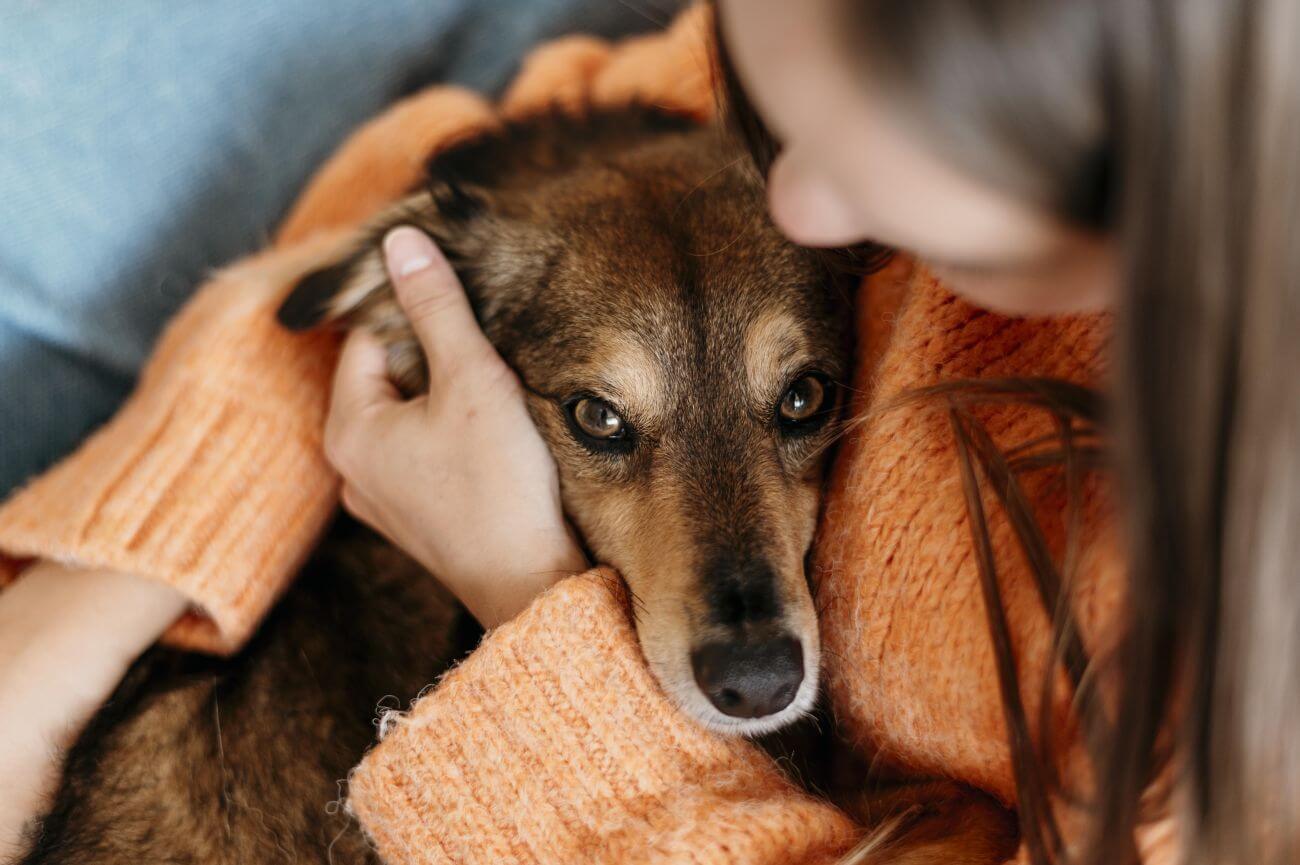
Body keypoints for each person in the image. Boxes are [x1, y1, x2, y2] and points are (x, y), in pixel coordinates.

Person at [1, 3, 1295, 865]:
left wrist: (525, 594)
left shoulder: (1232, 714)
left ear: (1145, 180)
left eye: (803, 402)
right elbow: (483, 154)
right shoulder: (855, 56)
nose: (790, 200)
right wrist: (100, 593)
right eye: (766, 107)